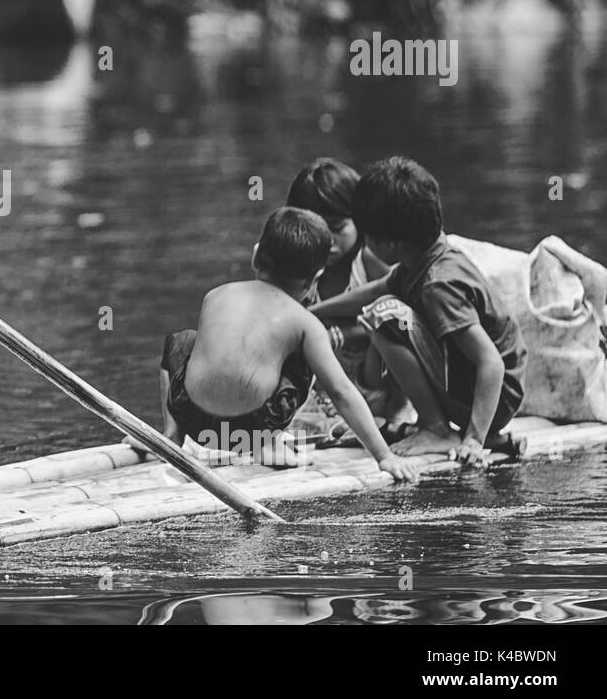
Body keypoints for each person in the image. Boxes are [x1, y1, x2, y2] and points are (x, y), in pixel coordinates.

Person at [153, 207, 417, 480]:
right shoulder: (305, 323)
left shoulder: (217, 295)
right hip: (252, 430)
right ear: (314, 279)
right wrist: (384, 456)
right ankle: (266, 444)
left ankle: (172, 436)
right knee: (308, 350)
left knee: (182, 340)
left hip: (194, 421)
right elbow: (341, 391)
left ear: (256, 256)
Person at [309, 157, 526, 465]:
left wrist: (474, 441)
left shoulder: (439, 284)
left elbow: (490, 362)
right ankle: (440, 425)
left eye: (368, 235)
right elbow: (376, 288)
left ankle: (436, 428)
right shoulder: (426, 257)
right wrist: (312, 313)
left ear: (389, 243)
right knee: (383, 304)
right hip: (479, 391)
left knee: (383, 316)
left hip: (492, 396)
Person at [284, 158, 407, 438]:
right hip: (319, 398)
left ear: (359, 220)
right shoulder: (294, 268)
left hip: (373, 387)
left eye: (338, 229)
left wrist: (341, 334)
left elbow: (406, 317)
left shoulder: (370, 259)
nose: (328, 242)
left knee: (394, 316)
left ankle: (399, 416)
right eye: (316, 231)